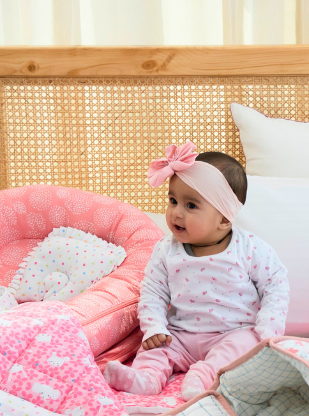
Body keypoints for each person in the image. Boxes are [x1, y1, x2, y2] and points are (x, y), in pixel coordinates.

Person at [104, 142, 289, 399]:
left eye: (191, 206)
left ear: (224, 218)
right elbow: (153, 291)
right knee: (154, 348)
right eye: (173, 200)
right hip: (180, 335)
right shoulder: (166, 250)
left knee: (245, 347)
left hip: (231, 333)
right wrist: (155, 327)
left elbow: (276, 284)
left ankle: (203, 377)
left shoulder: (249, 248)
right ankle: (145, 378)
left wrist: (269, 326)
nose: (176, 213)